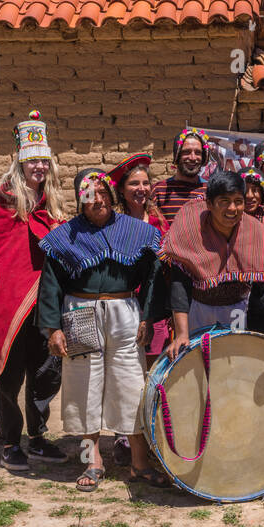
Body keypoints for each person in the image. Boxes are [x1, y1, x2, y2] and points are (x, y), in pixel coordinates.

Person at [38, 169, 165, 491]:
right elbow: (49, 285)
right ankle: (90, 460)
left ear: (112, 195)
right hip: (79, 314)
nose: (98, 200)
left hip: (125, 314)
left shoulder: (137, 232)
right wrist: (53, 328)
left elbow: (152, 278)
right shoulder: (63, 237)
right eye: (89, 194)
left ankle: (139, 462)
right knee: (83, 388)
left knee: (131, 386)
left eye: (103, 193)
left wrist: (148, 317)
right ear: (79, 199)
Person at [0, 110, 69, 472]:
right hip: (14, 297)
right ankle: (9, 441)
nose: (38, 167)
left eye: (43, 161)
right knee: (11, 371)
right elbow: (5, 249)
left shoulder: (52, 205)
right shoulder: (5, 201)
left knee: (46, 369)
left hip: (47, 299)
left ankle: (37, 436)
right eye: (31, 160)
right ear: (19, 163)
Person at [158, 170, 264, 356]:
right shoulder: (189, 228)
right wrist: (181, 334)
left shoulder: (258, 233)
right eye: (224, 202)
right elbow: (179, 282)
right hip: (198, 310)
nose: (232, 209)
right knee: (199, 365)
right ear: (210, 204)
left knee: (234, 368)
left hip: (238, 310)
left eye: (238, 201)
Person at [107, 152, 170, 466]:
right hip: (122, 308)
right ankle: (125, 436)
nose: (142, 188)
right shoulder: (113, 224)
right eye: (134, 183)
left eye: (146, 183)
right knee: (127, 373)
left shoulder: (159, 221)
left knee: (153, 371)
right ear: (122, 189)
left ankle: (153, 433)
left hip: (154, 309)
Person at [151, 127, 208, 221]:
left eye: (198, 152)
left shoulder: (210, 190)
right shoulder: (158, 191)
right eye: (186, 152)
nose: (193, 157)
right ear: (177, 155)